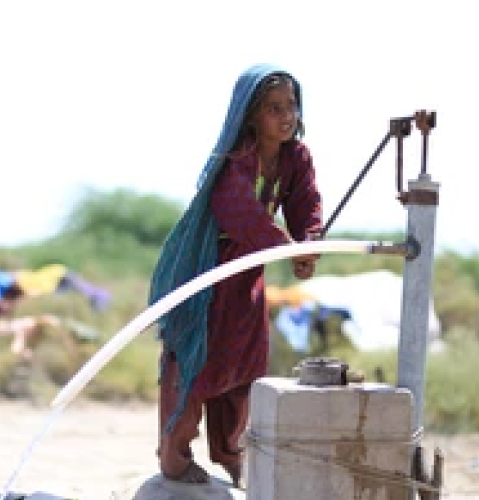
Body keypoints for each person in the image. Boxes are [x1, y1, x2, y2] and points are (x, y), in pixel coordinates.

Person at [147, 63, 323, 487]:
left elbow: (306, 205)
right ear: (251, 114)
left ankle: (231, 453)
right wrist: (287, 247)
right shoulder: (236, 159)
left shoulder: (296, 157)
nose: (286, 117)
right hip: (205, 274)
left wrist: (308, 245)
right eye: (273, 108)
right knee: (193, 362)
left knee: (244, 365)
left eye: (291, 106)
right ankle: (174, 458)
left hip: (246, 277)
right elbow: (240, 213)